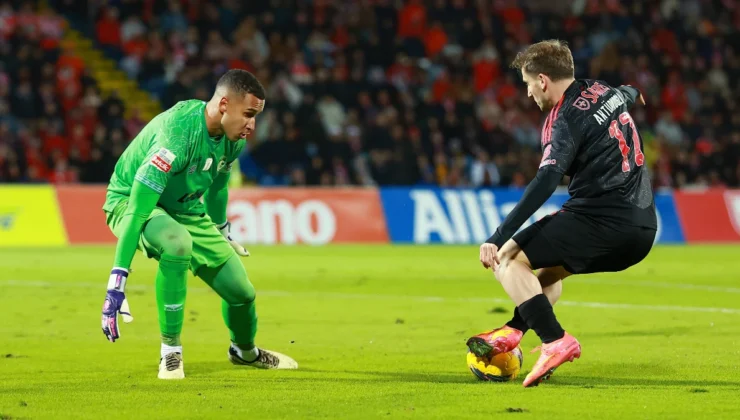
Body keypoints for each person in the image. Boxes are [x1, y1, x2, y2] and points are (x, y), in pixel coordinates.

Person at [467, 40, 656, 387]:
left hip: (602, 219)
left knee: (508, 260)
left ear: (542, 80)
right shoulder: (603, 90)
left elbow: (547, 180)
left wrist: (496, 238)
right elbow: (627, 93)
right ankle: (512, 331)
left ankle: (555, 340)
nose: (528, 95)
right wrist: (634, 91)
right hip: (643, 229)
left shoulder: (563, 118)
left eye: (527, 85)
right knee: (546, 277)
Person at [100, 69, 298, 379]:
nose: (252, 125)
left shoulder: (233, 140)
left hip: (186, 209)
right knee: (177, 244)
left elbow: (218, 186)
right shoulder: (177, 136)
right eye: (247, 114)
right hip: (130, 202)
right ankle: (171, 352)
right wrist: (117, 280)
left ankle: (245, 353)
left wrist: (221, 230)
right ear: (223, 105)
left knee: (242, 293)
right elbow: (138, 211)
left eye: (255, 116)